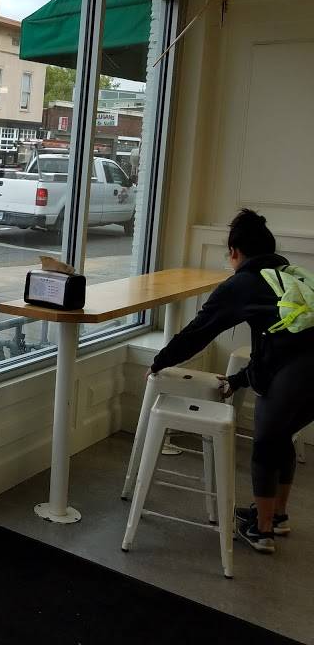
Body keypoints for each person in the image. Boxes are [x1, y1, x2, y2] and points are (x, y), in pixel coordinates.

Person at [147, 208, 314, 554]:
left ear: (235, 252)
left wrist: (160, 361)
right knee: (281, 435)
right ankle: (277, 516)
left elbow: (198, 332)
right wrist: (239, 379)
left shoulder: (242, 283)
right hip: (303, 370)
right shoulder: (288, 276)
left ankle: (262, 531)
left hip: (297, 372)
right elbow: (273, 346)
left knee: (266, 442)